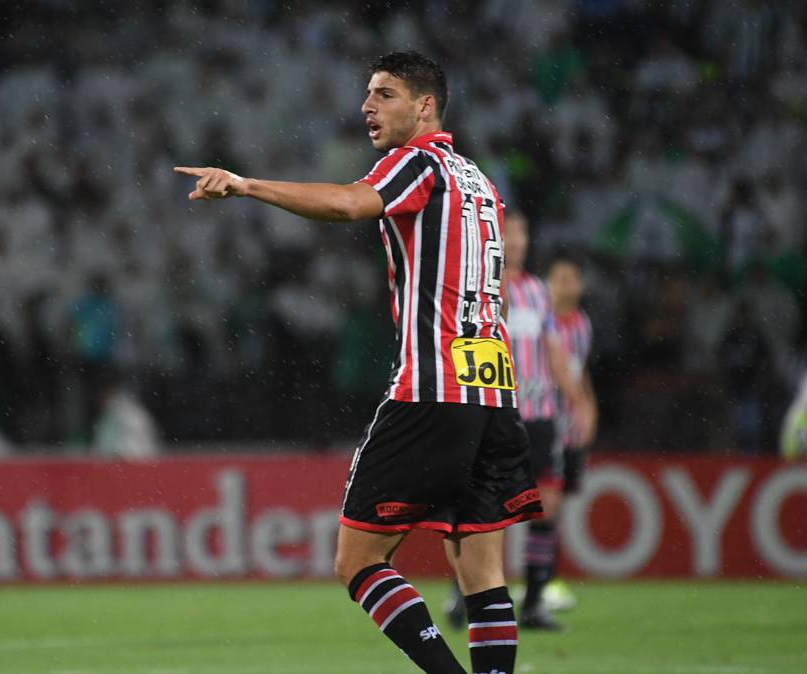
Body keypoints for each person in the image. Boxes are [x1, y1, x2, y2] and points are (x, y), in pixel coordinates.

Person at [177, 51, 541, 674]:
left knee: (358, 561)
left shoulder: (417, 161)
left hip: (433, 389)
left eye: (385, 94)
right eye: (367, 94)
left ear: (426, 106)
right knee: (480, 573)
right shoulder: (478, 179)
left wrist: (245, 184)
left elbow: (351, 204)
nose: (367, 106)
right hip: (493, 391)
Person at [498, 211, 595, 631]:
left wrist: (578, 401)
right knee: (487, 511)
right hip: (499, 413)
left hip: (540, 416)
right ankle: (468, 594)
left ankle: (534, 602)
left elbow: (554, 351)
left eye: (522, 234)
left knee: (548, 504)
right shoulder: (483, 286)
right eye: (509, 235)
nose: (517, 242)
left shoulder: (539, 292)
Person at [543, 251, 597, 611]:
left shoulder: (582, 325)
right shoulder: (538, 319)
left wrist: (588, 408)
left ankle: (547, 581)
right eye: (559, 278)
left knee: (555, 504)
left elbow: (578, 371)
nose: (566, 285)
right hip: (536, 418)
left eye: (572, 278)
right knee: (538, 502)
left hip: (564, 425)